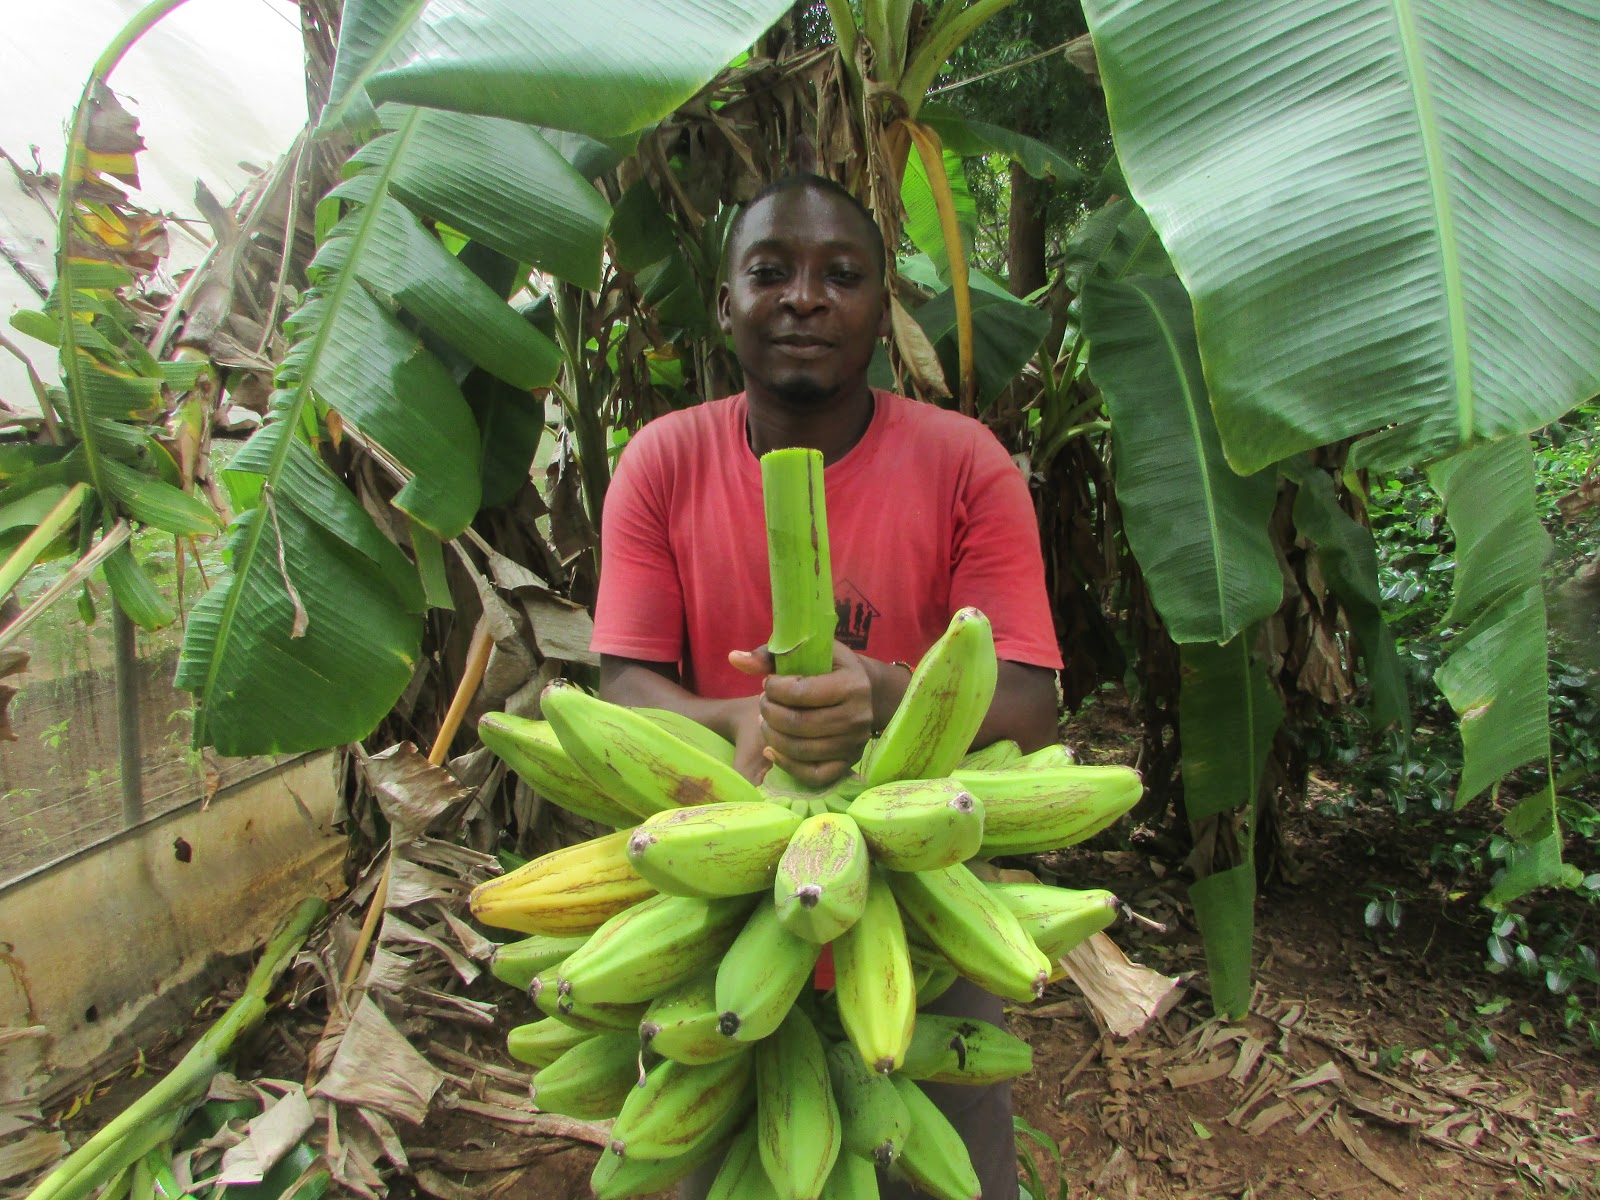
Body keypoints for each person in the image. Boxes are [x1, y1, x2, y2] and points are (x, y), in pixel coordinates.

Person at [589, 173, 1062, 1200]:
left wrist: (888, 697)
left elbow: (1030, 706)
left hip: (915, 918)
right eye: (770, 272)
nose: (804, 297)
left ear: (881, 308)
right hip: (715, 910)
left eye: (840, 275)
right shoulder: (663, 464)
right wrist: (742, 721)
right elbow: (618, 684)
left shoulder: (966, 467)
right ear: (725, 305)